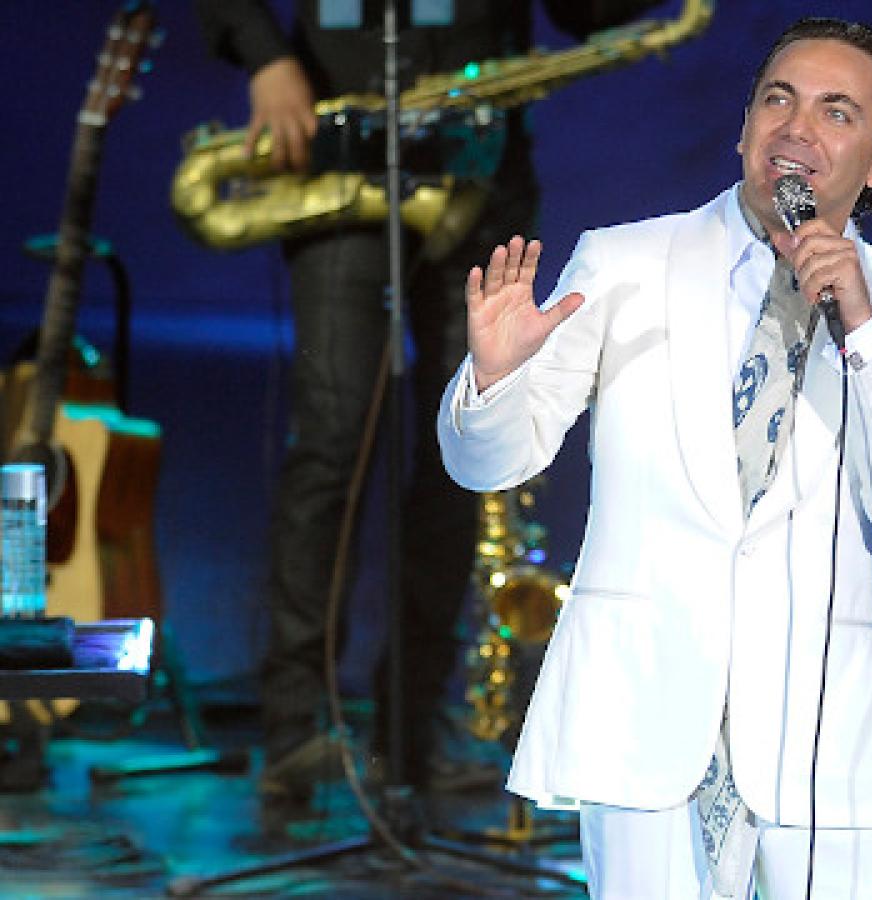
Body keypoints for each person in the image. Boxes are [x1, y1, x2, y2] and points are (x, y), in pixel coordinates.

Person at [438, 18, 872, 898]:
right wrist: (494, 379)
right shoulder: (626, 264)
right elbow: (488, 464)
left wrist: (863, 330)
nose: (797, 128)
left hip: (822, 742)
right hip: (643, 722)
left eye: (837, 112)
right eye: (778, 100)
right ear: (745, 126)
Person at [194, 0, 665, 808]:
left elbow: (583, 10)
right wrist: (267, 56)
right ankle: (295, 730)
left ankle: (408, 738)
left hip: (478, 175)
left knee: (465, 453)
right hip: (342, 161)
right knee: (334, 438)